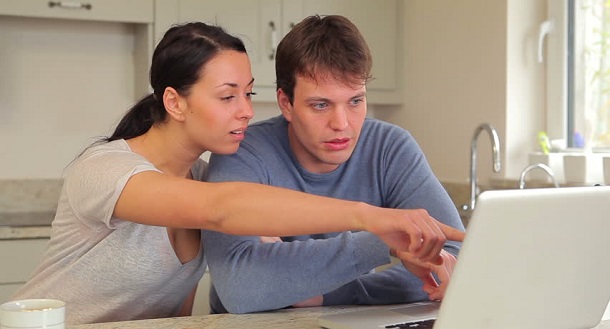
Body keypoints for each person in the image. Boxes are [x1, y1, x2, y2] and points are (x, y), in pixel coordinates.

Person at [11, 22, 463, 325]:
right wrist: (374, 222)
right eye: (228, 97)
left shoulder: (205, 175)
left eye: (247, 94)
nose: (247, 112)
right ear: (175, 102)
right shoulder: (105, 170)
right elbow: (224, 212)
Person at [203, 14, 466, 314]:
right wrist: (385, 239)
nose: (342, 124)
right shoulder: (243, 151)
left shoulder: (390, 148)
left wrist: (337, 293)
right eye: (321, 105)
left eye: (355, 101)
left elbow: (455, 262)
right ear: (286, 103)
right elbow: (240, 290)